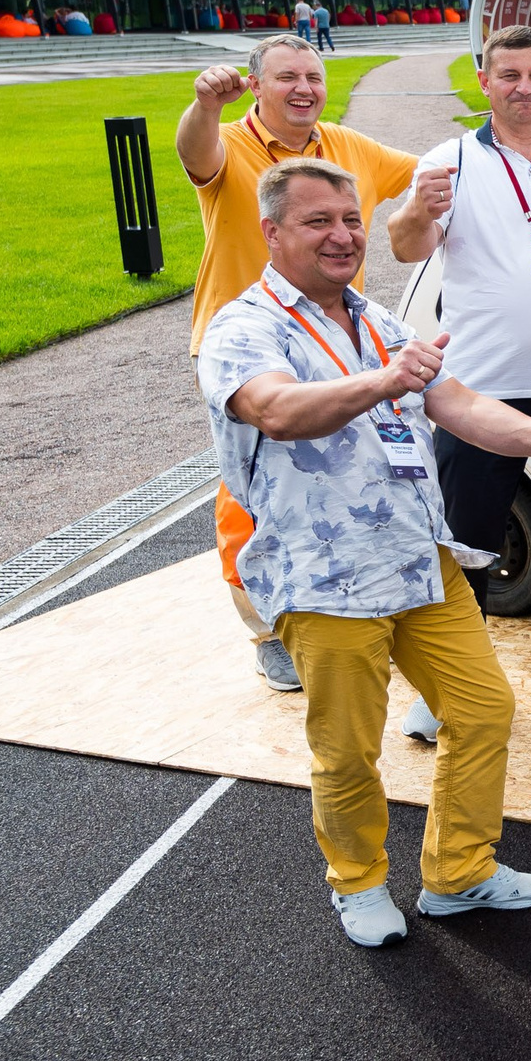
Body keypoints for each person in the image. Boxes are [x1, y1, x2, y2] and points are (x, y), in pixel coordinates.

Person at [199, 157, 531, 947]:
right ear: (273, 232)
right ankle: (356, 883)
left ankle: (459, 874)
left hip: (419, 559)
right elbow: (277, 410)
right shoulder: (244, 326)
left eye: (350, 219)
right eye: (319, 220)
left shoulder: (379, 322)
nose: (342, 235)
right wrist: (382, 382)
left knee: (483, 708)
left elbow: (458, 404)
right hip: (326, 579)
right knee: (349, 749)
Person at [388, 27, 531, 739]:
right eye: (509, 73)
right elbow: (407, 247)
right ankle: (448, 688)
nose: (524, 86)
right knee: (467, 545)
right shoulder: (448, 159)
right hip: (478, 392)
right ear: (485, 82)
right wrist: (417, 211)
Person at [176, 35, 418, 695]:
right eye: (288, 77)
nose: (304, 87)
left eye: (314, 75)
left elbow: (426, 172)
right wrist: (202, 105)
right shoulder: (228, 141)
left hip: (338, 341)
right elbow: (195, 153)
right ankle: (266, 628)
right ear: (257, 85)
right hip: (248, 349)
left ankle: (347, 602)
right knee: (252, 500)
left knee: (347, 476)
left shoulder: (347, 145)